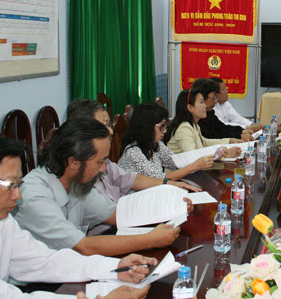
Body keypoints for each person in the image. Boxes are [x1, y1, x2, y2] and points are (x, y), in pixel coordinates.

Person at [0, 129, 152, 299]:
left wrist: (116, 267)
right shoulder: (21, 202)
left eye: (18, 184)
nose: (18, 195)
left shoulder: (0, 220)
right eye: (10, 184)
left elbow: (44, 260)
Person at [13, 119, 180, 256]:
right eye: (100, 162)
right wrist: (150, 239)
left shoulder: (76, 184)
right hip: (36, 282)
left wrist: (172, 209)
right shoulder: (35, 194)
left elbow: (118, 215)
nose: (104, 169)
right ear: (74, 162)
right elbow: (83, 246)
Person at [66, 99, 203, 235]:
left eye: (109, 125)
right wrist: (167, 211)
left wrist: (169, 184)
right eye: (104, 126)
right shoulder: (78, 177)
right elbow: (112, 217)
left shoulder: (106, 163)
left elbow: (130, 178)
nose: (111, 131)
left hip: (125, 218)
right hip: (112, 229)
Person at [118, 102, 213, 182]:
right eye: (161, 126)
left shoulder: (155, 144)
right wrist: (194, 166)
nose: (165, 131)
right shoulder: (133, 152)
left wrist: (208, 157)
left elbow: (176, 163)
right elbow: (159, 180)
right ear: (147, 127)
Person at [167, 88, 243, 157]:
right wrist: (224, 154)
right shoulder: (184, 128)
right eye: (201, 102)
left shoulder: (193, 125)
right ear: (190, 107)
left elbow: (204, 143)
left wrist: (230, 141)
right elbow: (193, 156)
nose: (205, 106)